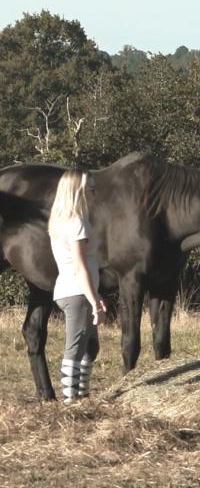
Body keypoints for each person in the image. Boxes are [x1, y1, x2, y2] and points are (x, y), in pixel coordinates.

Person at [48, 169, 106, 404]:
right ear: (77, 193)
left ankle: (82, 396)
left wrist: (97, 294)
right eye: (90, 189)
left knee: (90, 347)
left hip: (72, 290)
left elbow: (79, 266)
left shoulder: (61, 221)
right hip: (77, 293)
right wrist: (94, 303)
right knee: (75, 348)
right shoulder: (78, 223)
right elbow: (81, 266)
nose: (94, 194)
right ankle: (71, 403)